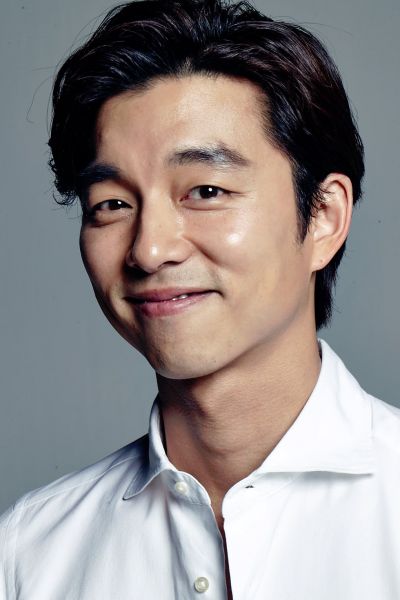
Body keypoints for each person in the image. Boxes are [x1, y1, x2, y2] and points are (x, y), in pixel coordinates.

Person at [1, 0, 400, 597]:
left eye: (206, 191)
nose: (149, 249)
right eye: (112, 203)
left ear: (323, 217)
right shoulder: (28, 556)